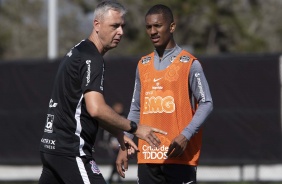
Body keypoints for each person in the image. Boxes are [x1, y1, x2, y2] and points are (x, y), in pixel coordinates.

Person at [38, 1, 166, 184]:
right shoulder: (92, 58)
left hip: (51, 148)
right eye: (114, 26)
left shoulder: (79, 51)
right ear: (96, 24)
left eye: (122, 26)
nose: (120, 32)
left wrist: (119, 134)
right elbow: (96, 109)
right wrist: (135, 129)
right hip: (71, 151)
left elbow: (83, 108)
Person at [116, 4, 213, 184]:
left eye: (158, 26)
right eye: (148, 27)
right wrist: (125, 142)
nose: (152, 31)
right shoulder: (142, 65)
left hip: (178, 156)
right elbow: (136, 108)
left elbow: (207, 103)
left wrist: (185, 135)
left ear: (172, 27)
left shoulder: (189, 63)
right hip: (148, 156)